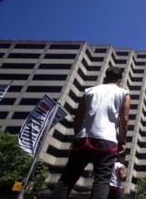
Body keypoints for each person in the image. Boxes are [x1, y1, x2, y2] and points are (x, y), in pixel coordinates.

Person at [51, 67, 130, 199]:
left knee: (67, 179)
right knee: (102, 180)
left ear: (105, 78)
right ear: (120, 81)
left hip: (83, 137)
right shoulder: (124, 94)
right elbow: (125, 120)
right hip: (107, 140)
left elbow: (78, 118)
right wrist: (122, 141)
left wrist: (78, 136)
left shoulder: (89, 91)